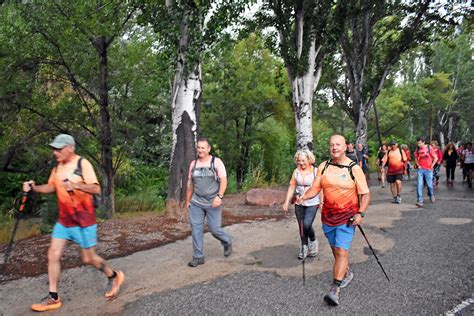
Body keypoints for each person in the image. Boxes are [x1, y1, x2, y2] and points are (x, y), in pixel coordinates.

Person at [23, 134, 124, 312]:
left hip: (83, 221)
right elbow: (51, 187)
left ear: (70, 148)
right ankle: (53, 297)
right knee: (53, 254)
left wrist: (76, 186)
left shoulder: (82, 164)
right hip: (64, 221)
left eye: (59, 149)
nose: (55, 152)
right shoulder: (57, 167)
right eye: (54, 148)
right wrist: (34, 188)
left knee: (89, 259)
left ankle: (114, 276)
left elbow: (96, 188)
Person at [299, 135, 370, 306]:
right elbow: (315, 188)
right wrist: (303, 197)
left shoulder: (354, 168)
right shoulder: (324, 167)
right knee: (336, 251)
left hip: (348, 218)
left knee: (341, 251)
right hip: (328, 218)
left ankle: (334, 289)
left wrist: (361, 213)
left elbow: (365, 194)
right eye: (331, 145)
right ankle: (346, 272)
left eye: (338, 144)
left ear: (345, 147)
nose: (334, 147)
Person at [184, 137, 232, 267]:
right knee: (196, 229)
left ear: (209, 149)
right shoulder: (193, 164)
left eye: (203, 148)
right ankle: (198, 257)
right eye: (198, 147)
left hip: (213, 202)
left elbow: (223, 180)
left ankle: (227, 241)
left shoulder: (216, 162)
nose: (200, 150)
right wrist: (187, 201)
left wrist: (219, 196)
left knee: (214, 229)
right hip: (196, 203)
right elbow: (190, 184)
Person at [282, 150, 321, 259]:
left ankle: (313, 241)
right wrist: (286, 201)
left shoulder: (316, 171)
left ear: (309, 160)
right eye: (299, 161)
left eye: (303, 160)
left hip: (313, 202)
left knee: (307, 224)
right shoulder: (296, 172)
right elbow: (292, 187)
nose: (301, 163)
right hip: (299, 202)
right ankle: (304, 247)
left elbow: (320, 188)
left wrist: (322, 202)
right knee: (301, 226)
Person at [414, 137, 438, 207]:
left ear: (423, 142)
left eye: (420, 143)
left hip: (428, 169)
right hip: (420, 169)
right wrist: (418, 165)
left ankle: (431, 194)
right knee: (419, 184)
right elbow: (415, 157)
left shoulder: (429, 148)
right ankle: (420, 201)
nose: (418, 144)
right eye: (418, 143)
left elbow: (435, 158)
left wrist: (432, 165)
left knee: (429, 185)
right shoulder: (417, 149)